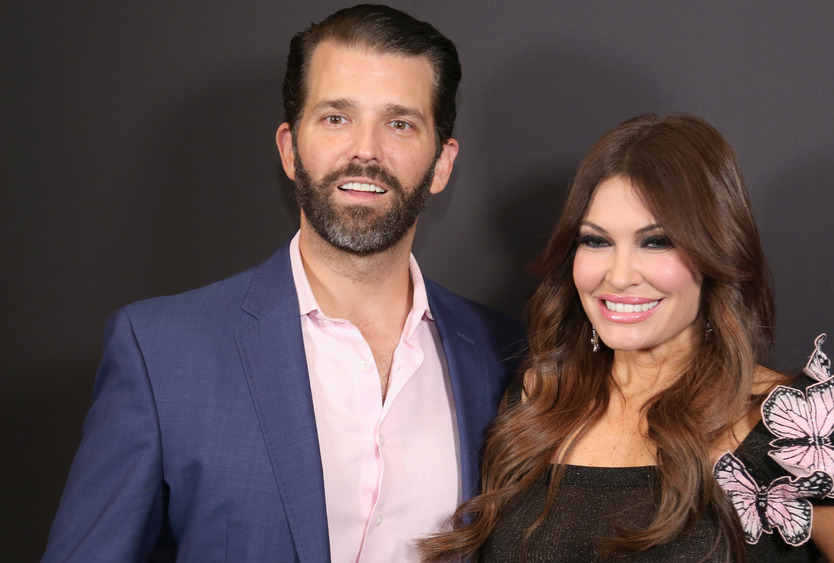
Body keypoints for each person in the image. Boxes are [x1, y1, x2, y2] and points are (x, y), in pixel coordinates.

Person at [43, 5, 523, 562]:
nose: (365, 151)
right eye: (336, 118)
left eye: (399, 123)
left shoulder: (503, 357)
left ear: (441, 163)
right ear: (290, 149)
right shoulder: (160, 353)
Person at [420, 114, 834, 561]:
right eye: (596, 241)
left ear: (717, 252)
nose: (619, 276)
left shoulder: (798, 431)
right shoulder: (530, 403)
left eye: (656, 242)